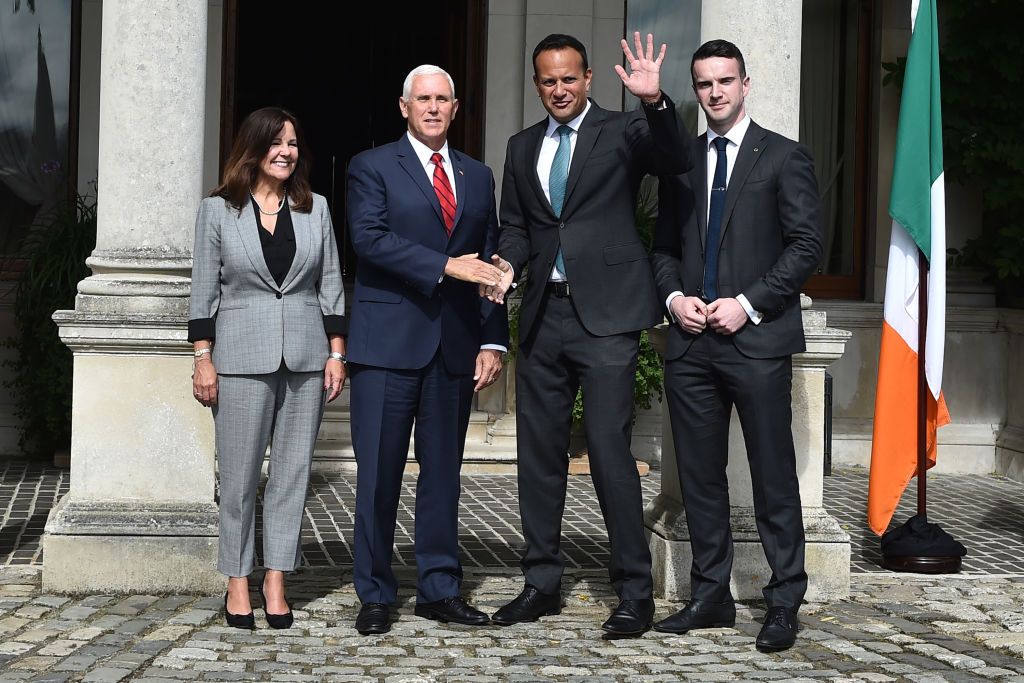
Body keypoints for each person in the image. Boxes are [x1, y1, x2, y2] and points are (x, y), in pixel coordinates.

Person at [488, 32, 690, 637]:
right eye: (548, 80)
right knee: (539, 458)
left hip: (607, 319)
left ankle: (634, 592)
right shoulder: (521, 147)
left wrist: (654, 101)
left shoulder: (624, 131)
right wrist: (505, 264)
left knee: (608, 453)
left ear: (588, 78)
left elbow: (675, 156)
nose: (559, 89)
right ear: (536, 83)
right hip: (545, 319)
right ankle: (541, 583)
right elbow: (517, 227)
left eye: (569, 78)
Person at [648, 39, 823, 652]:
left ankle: (784, 599)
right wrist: (674, 300)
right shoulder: (682, 164)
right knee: (699, 478)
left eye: (725, 81)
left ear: (746, 84)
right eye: (703, 84)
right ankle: (710, 594)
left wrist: (746, 304)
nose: (715, 92)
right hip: (691, 344)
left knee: (774, 476)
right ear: (695, 90)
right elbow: (664, 247)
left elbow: (806, 247)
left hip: (757, 341)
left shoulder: (783, 157)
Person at [345, 65, 509, 635]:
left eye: (443, 99)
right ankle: (375, 593)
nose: (434, 108)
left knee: (443, 473)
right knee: (379, 474)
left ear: (456, 108)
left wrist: (493, 337)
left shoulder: (478, 175)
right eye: (424, 99)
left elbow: (489, 261)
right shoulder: (370, 167)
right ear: (404, 106)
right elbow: (368, 239)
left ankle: (439, 589)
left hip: (455, 346)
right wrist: (445, 266)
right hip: (386, 345)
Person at [189, 107, 347, 630]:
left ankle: (276, 580)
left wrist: (336, 352)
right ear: (253, 149)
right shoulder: (218, 210)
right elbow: (204, 290)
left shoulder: (314, 207)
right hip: (238, 358)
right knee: (237, 478)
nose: (286, 151)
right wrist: (202, 358)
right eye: (276, 142)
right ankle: (237, 581)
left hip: (306, 357)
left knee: (292, 475)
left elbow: (330, 284)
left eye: (294, 143)